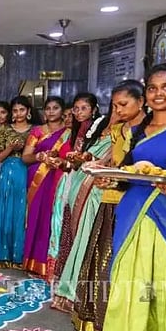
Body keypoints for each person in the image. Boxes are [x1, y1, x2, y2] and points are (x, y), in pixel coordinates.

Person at [100, 65, 166, 331]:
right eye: (153, 88)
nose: (159, 93)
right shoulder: (140, 131)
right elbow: (129, 172)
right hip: (134, 214)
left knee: (165, 286)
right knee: (132, 285)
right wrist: (110, 177)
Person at [72, 80, 145, 331]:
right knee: (100, 255)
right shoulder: (117, 129)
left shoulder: (148, 132)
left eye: (123, 104)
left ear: (141, 102)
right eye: (114, 105)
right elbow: (110, 161)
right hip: (109, 195)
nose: (118, 110)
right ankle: (95, 319)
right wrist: (98, 168)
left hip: (132, 200)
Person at [46, 93, 100, 281]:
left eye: (83, 108)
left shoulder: (96, 130)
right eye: (76, 109)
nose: (78, 112)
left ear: (94, 110)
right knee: (61, 221)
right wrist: (62, 162)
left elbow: (88, 159)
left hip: (84, 182)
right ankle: (60, 270)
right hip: (70, 179)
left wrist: (69, 162)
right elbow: (74, 162)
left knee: (73, 224)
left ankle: (73, 274)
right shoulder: (77, 129)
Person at [0, 100, 30, 267]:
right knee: (2, 211)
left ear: (28, 111)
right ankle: (0, 254)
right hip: (7, 170)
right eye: (15, 110)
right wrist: (11, 147)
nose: (18, 113)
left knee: (20, 212)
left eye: (21, 109)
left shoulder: (35, 130)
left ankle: (18, 256)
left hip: (26, 171)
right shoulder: (5, 130)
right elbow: (0, 157)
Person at [22, 96, 67, 278]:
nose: (50, 111)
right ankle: (32, 261)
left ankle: (48, 263)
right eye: (47, 108)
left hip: (57, 177)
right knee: (35, 217)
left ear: (62, 111)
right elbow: (25, 157)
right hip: (37, 179)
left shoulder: (68, 132)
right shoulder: (37, 131)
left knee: (52, 217)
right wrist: (40, 157)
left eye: (55, 108)